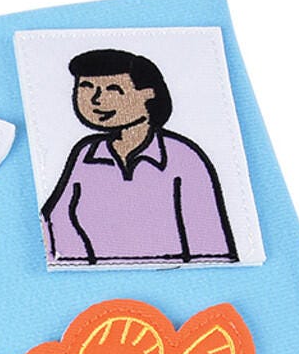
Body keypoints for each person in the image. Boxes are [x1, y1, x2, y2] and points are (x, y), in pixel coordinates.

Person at [41, 48, 237, 266]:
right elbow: (56, 222)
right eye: (86, 87)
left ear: (148, 93)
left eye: (113, 89)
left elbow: (210, 246)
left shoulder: (183, 158)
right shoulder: (85, 155)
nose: (96, 99)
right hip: (90, 278)